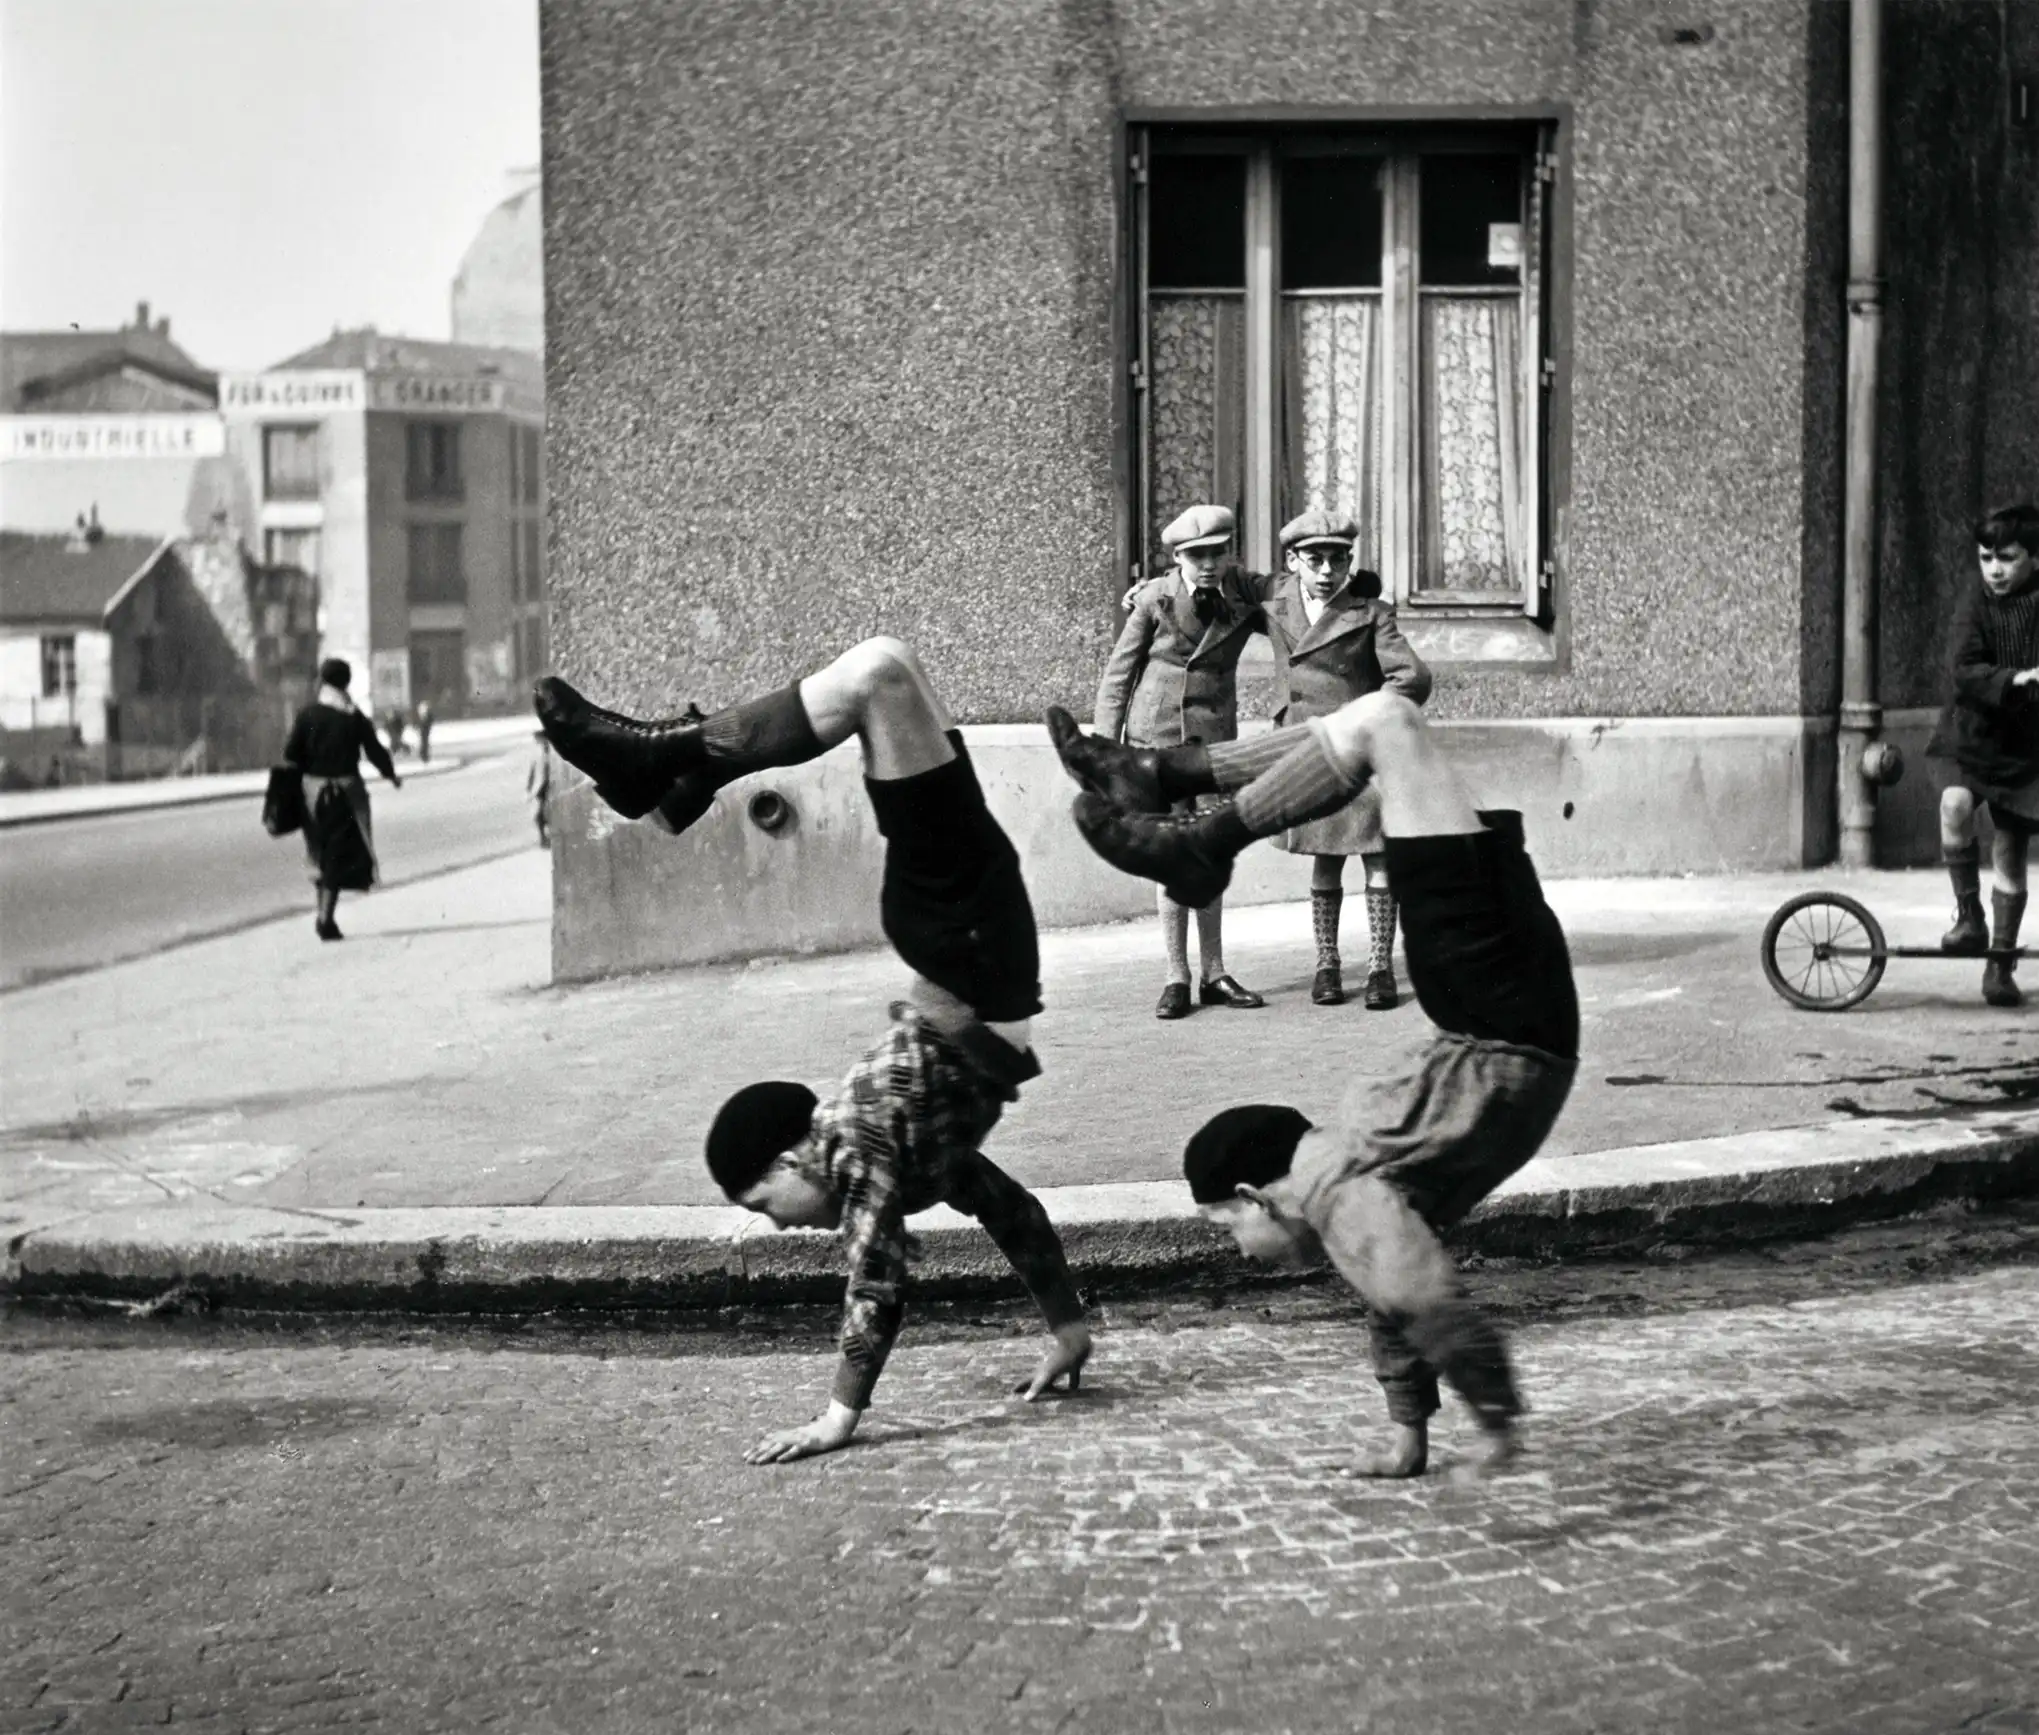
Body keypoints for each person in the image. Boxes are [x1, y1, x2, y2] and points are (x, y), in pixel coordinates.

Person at [532, 640, 1092, 1464]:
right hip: (973, 939)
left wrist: (837, 1417)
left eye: (765, 1204)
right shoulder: (912, 1155)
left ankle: (669, 765)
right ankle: (675, 779)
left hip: (966, 939)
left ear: (793, 1158)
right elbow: (1013, 1211)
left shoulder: (861, 1147)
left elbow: (876, 1284)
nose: (780, 1226)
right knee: (886, 670)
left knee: (878, 677)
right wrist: (1068, 1327)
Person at [1045, 688, 1577, 1478]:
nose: (1238, 1249)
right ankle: (1167, 787)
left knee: (1385, 724)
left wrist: (1490, 1416)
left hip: (1500, 1002)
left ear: (1256, 1196)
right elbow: (1393, 1290)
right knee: (1385, 724)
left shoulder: (1333, 1189)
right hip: (1492, 1000)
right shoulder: (1344, 1187)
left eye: (1226, 1226)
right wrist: (1415, 1429)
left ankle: (1188, 825)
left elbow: (1413, 1292)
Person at [1096, 503, 1271, 1019]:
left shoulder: (1243, 596)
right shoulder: (1154, 599)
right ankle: (1176, 975)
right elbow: (1117, 677)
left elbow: (1294, 607)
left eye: (1218, 553)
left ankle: (1215, 973)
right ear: (1178, 558)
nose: (1209, 565)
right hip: (1158, 740)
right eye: (1197, 556)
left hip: (1212, 746)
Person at [1264, 509, 1432, 1009]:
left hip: (1361, 753)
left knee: (1377, 856)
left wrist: (1370, 716)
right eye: (1314, 559)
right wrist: (1147, 591)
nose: (1326, 572)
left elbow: (1412, 677)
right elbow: (1217, 584)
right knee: (1326, 858)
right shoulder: (1275, 603)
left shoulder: (1371, 613)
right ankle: (1328, 966)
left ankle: (1380, 968)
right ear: (1292, 560)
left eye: (1338, 560)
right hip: (1309, 749)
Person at [1926, 502, 2039, 1008]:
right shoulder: (1975, 601)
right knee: (1954, 804)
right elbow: (1963, 669)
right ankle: (1969, 915)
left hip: (2025, 748)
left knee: (2010, 850)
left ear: (2035, 558)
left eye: (2007, 558)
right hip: (1972, 734)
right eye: (1986, 557)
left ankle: (2000, 962)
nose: (1994, 569)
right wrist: (2017, 678)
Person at [283, 657, 401, 941]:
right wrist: (391, 775)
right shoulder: (353, 716)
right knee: (336, 857)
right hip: (346, 796)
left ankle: (324, 916)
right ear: (346, 684)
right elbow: (374, 751)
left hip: (313, 796)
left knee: (321, 855)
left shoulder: (307, 715)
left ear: (322, 682)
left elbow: (291, 754)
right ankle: (325, 919)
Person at [525, 729, 554, 847]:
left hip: (552, 787)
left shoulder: (552, 752)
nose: (537, 741)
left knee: (547, 813)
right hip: (541, 788)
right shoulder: (537, 752)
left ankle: (546, 837)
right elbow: (532, 771)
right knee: (539, 814)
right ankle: (543, 838)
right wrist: (529, 788)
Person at [414, 699, 435, 764]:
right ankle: (423, 755)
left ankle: (424, 756)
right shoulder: (425, 715)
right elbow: (418, 722)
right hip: (423, 729)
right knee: (423, 742)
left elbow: (429, 721)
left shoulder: (428, 715)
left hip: (425, 730)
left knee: (424, 742)